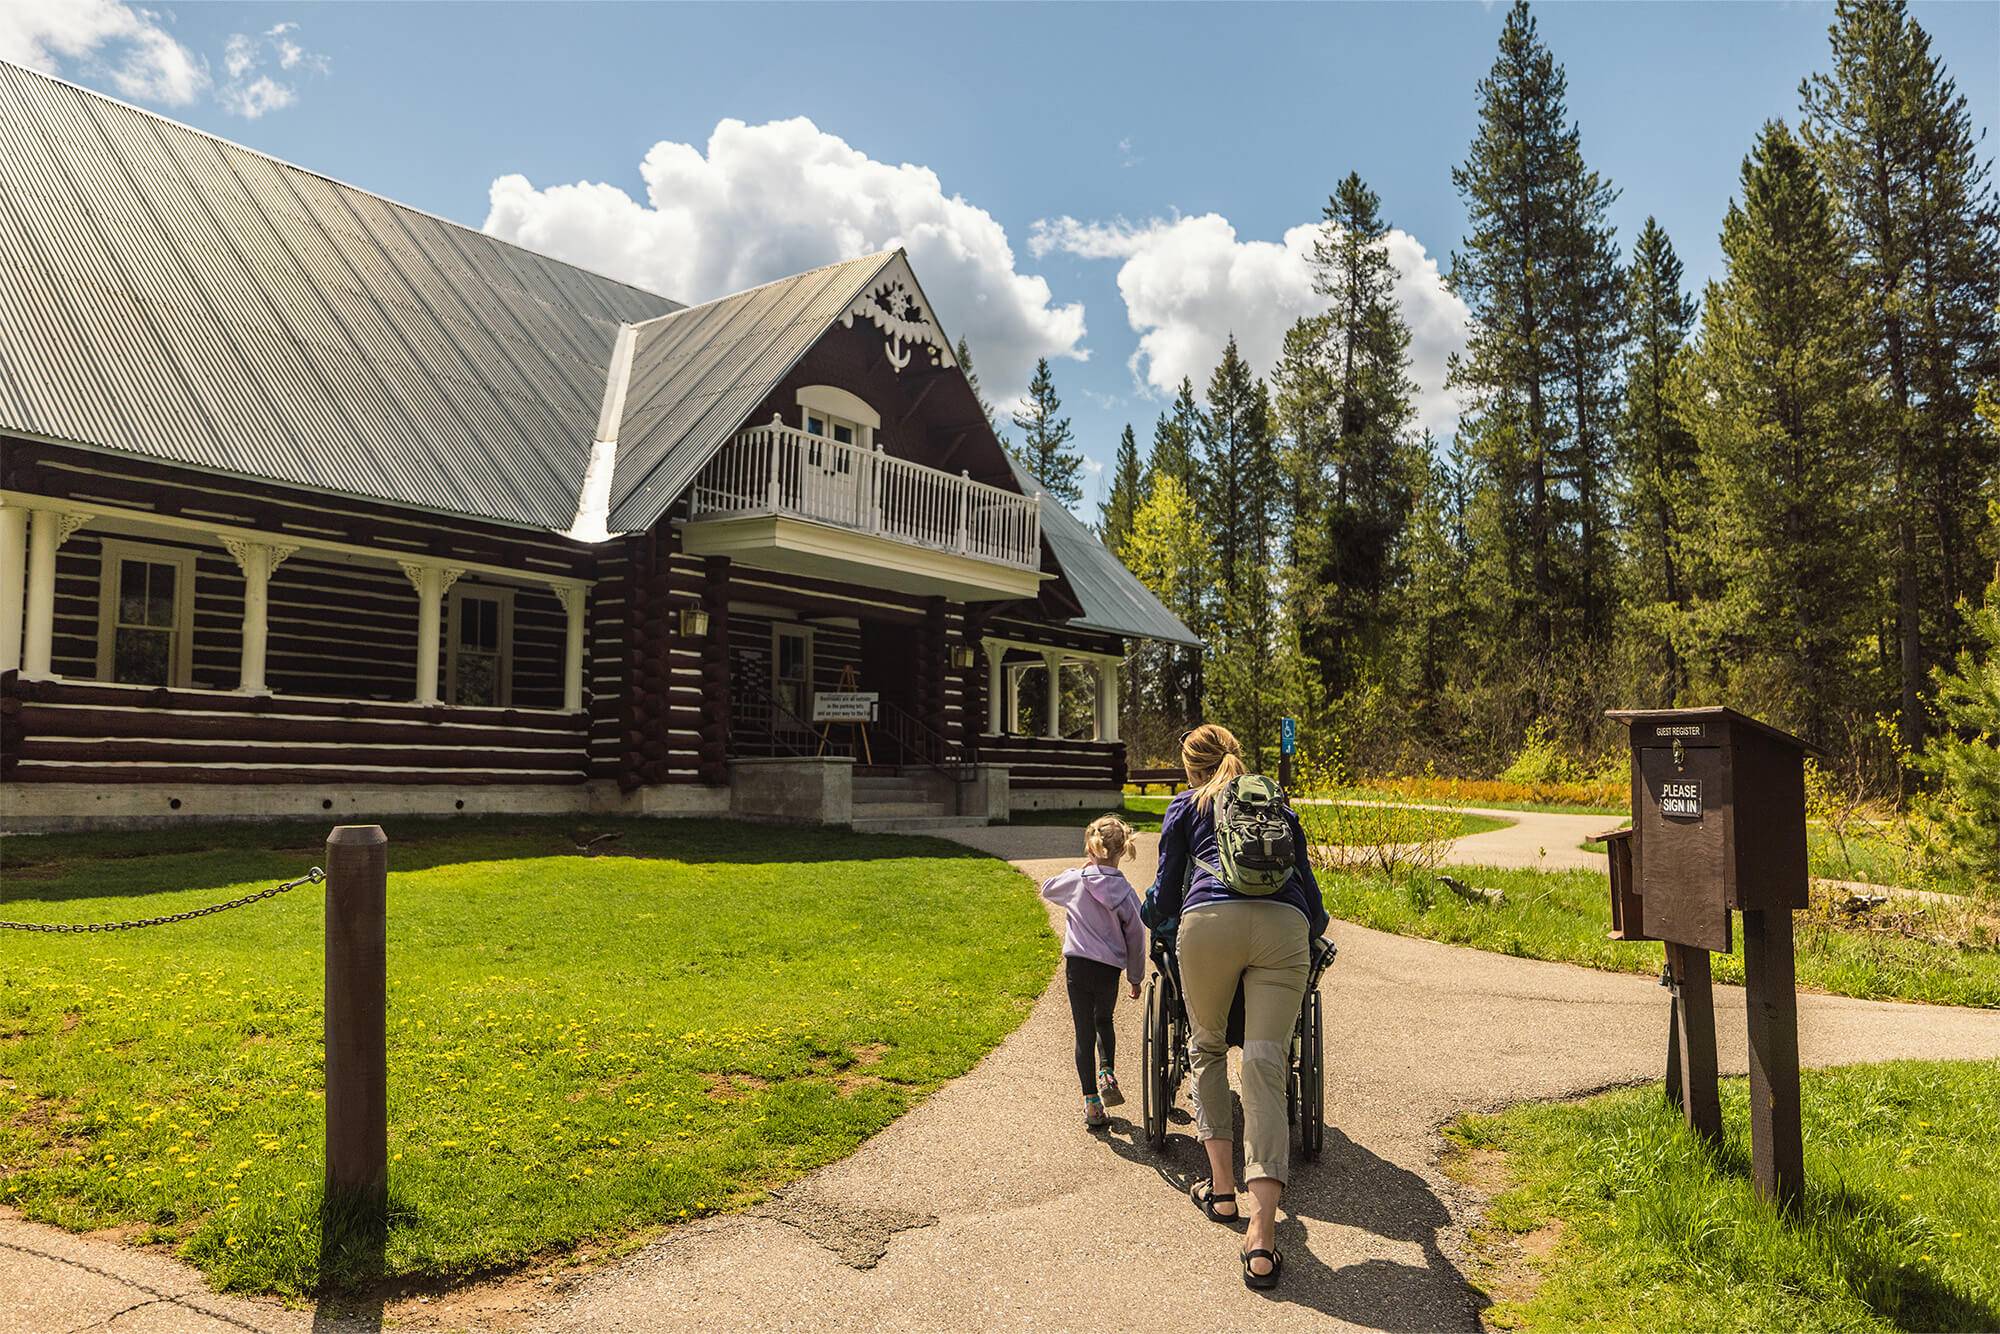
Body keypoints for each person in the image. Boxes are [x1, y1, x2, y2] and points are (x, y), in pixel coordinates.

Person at [1142, 723, 1327, 1290]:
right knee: (1267, 1065)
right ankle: (1263, 1238)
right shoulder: (1276, 805)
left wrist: (1154, 920)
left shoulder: (1185, 807)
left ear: (1190, 767)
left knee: (1207, 1047)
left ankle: (1222, 1191)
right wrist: (1305, 929)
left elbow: (1164, 891)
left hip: (1209, 926)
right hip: (1284, 929)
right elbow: (1312, 901)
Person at [1040, 814, 1147, 1130]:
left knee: (1083, 1031)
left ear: (1090, 848)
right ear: (1121, 852)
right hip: (1109, 970)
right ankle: (1107, 1072)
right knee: (1104, 1021)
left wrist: (1080, 870)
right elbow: (1136, 936)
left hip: (1078, 967)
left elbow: (1048, 889)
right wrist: (1135, 976)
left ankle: (1092, 1104)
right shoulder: (1126, 893)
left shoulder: (1077, 880)